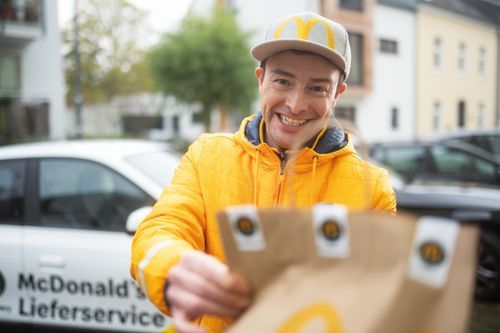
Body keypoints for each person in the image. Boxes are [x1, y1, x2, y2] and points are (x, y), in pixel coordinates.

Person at [130, 11, 397, 333]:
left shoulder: (374, 188)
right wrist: (173, 268)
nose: (296, 105)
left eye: (317, 89)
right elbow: (162, 228)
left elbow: (380, 295)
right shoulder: (206, 155)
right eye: (283, 81)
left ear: (337, 94)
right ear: (260, 79)